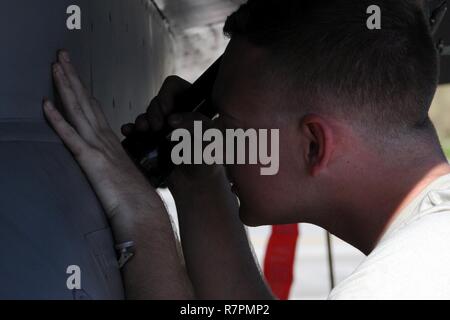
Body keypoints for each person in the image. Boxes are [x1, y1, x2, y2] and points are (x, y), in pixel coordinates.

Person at [43, 0, 450, 299]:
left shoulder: (398, 285)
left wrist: (144, 221)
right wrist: (197, 183)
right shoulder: (429, 253)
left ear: (313, 146)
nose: (215, 138)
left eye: (228, 123)